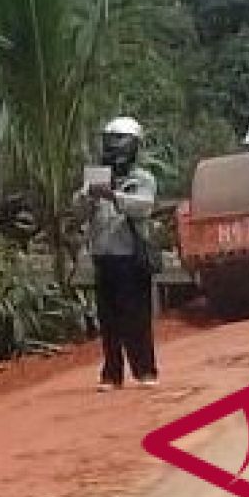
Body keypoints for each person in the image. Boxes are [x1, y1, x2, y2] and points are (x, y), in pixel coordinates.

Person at [79, 116, 159, 392]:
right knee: (109, 319)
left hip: (131, 258)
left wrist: (113, 195)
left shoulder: (142, 178)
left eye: (120, 141)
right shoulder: (97, 177)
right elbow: (79, 211)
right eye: (110, 141)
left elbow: (144, 207)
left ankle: (145, 370)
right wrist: (88, 197)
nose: (114, 147)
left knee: (136, 316)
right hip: (103, 256)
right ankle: (112, 374)